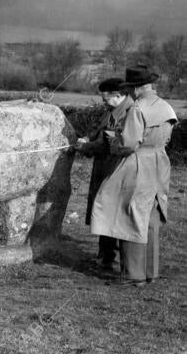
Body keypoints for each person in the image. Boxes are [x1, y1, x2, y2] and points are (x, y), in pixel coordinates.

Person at [90, 65, 177, 286]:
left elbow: (128, 145)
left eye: (130, 88)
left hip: (138, 162)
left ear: (136, 88)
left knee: (128, 213)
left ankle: (132, 274)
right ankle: (150, 272)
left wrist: (113, 140)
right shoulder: (166, 106)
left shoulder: (138, 109)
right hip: (159, 161)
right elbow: (165, 137)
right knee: (151, 216)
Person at [75, 78, 133, 275]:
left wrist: (84, 147)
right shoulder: (113, 111)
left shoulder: (129, 113)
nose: (104, 102)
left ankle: (109, 260)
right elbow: (99, 133)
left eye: (106, 99)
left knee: (110, 212)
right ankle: (104, 256)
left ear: (118, 95)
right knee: (103, 211)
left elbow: (108, 145)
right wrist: (87, 138)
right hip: (104, 167)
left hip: (114, 168)